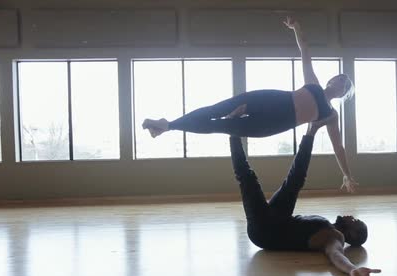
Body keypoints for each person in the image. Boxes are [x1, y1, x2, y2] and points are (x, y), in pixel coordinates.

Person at [143, 16, 357, 192]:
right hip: (267, 99)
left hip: (273, 124)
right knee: (215, 110)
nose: (341, 83)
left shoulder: (330, 115)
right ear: (332, 80)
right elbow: (305, 51)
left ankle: (167, 126)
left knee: (219, 126)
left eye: (345, 86)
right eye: (341, 79)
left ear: (343, 94)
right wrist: (296, 28)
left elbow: (338, 146)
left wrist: (347, 175)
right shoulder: (314, 84)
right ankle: (167, 125)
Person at [229, 118, 380, 276]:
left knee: (260, 179)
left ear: (352, 233)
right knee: (278, 178)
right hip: (273, 223)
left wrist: (352, 269)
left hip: (266, 230)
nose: (351, 216)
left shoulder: (335, 239)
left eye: (355, 221)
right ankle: (310, 130)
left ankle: (234, 133)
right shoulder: (331, 229)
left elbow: (336, 255)